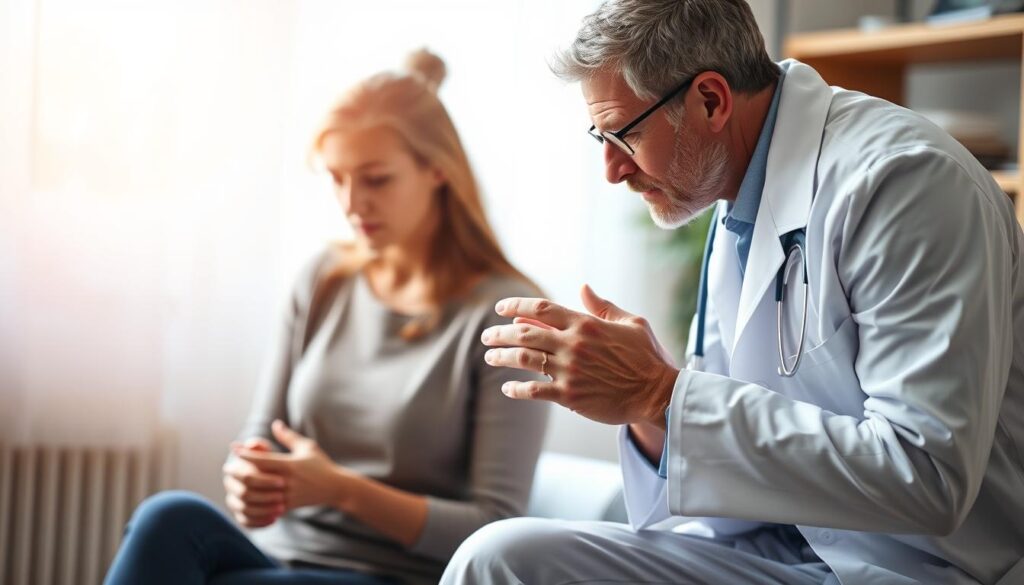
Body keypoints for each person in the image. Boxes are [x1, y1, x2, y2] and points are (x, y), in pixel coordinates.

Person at [440, 1, 1024, 584]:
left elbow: (926, 477)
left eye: (624, 134)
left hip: (921, 568)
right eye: (601, 137)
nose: (612, 171)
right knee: (499, 556)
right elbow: (732, 440)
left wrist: (659, 394)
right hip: (781, 548)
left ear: (712, 100)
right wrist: (645, 413)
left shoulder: (906, 182)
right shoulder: (736, 199)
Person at [104, 49, 549, 585]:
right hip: (277, 555)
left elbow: (496, 528)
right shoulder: (324, 279)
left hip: (394, 574)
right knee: (166, 517)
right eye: (336, 178)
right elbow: (263, 435)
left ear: (438, 170)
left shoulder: (506, 315)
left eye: (375, 180)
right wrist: (250, 481)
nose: (351, 202)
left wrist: (340, 489)